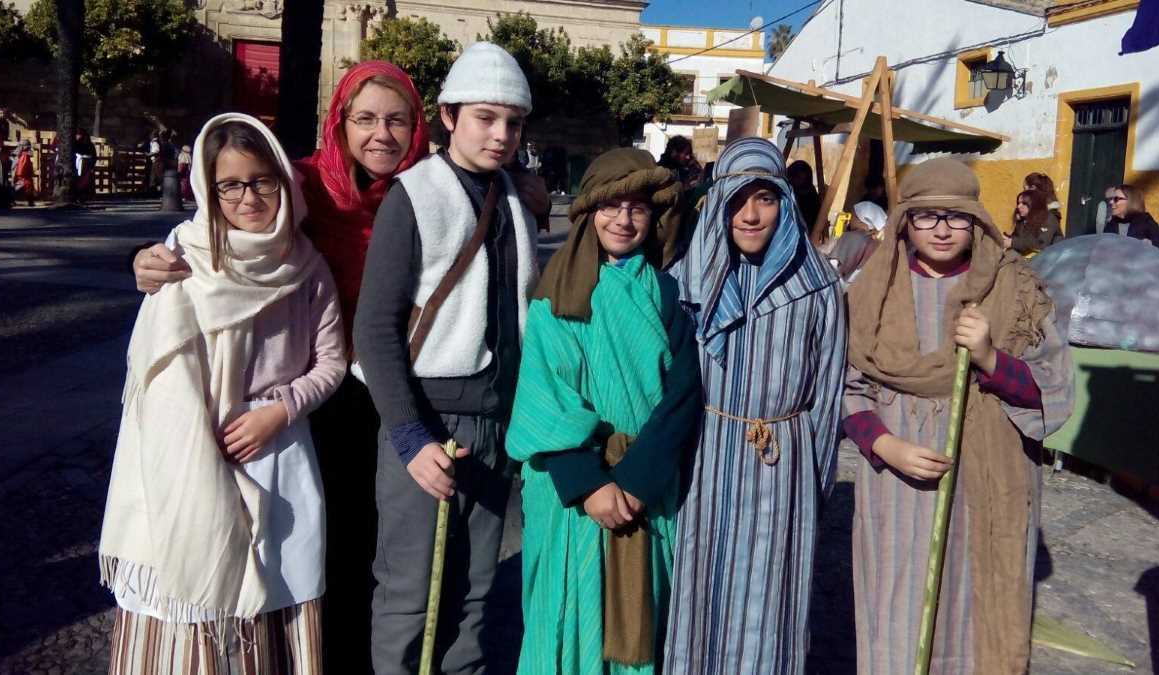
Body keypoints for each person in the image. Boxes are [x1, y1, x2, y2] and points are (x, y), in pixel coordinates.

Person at [99, 113, 346, 674]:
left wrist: (280, 410)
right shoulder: (182, 253)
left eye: (261, 179)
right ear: (209, 190)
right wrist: (140, 260)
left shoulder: (306, 266)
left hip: (273, 450)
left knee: (276, 598)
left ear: (282, 179)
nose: (248, 196)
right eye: (230, 184)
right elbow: (155, 357)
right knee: (184, 594)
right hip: (185, 446)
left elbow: (330, 362)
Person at [842, 158, 1073, 674]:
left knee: (974, 624)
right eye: (927, 216)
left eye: (957, 216)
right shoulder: (873, 290)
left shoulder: (1016, 290)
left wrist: (992, 358)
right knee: (898, 621)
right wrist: (884, 445)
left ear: (978, 221)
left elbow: (1054, 389)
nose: (942, 229)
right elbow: (845, 387)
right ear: (906, 222)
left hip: (985, 483)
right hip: (897, 489)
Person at [353, 42, 539, 675]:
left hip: (495, 427)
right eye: (486, 117)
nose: (501, 134)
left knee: (476, 594)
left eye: (513, 122)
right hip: (431, 422)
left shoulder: (514, 198)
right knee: (409, 593)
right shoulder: (414, 196)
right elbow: (374, 327)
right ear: (449, 116)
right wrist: (409, 435)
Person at [507, 148, 700, 673]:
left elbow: (682, 394)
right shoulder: (555, 296)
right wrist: (590, 485)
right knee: (567, 619)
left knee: (641, 619)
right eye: (610, 206)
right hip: (573, 494)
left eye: (637, 207)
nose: (623, 219)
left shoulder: (665, 294)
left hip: (644, 489)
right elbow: (544, 397)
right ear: (589, 212)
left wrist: (636, 481)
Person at [664, 137, 848, 673]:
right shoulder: (688, 281)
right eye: (738, 198)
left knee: (771, 597)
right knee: (701, 588)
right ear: (718, 199)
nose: (750, 214)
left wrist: (813, 489)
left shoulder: (818, 289)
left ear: (785, 204)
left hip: (781, 465)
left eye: (765, 198)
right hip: (708, 454)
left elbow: (828, 394)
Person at [1008, 188, 1063, 256]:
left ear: (1034, 204)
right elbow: (1018, 238)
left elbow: (1041, 244)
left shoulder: (1048, 219)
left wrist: (1012, 243)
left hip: (1051, 260)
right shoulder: (1023, 220)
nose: (1019, 206)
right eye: (1018, 203)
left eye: (1024, 203)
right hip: (1030, 260)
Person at [787, 159, 822, 231]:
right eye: (798, 177)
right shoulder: (787, 191)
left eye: (801, 178)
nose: (799, 181)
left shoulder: (810, 194)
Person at [12, 139, 35, 206]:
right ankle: (11, 199)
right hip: (23, 176)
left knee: (27, 188)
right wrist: (20, 175)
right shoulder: (24, 155)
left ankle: (30, 201)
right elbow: (22, 166)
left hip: (23, 175)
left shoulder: (22, 155)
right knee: (25, 187)